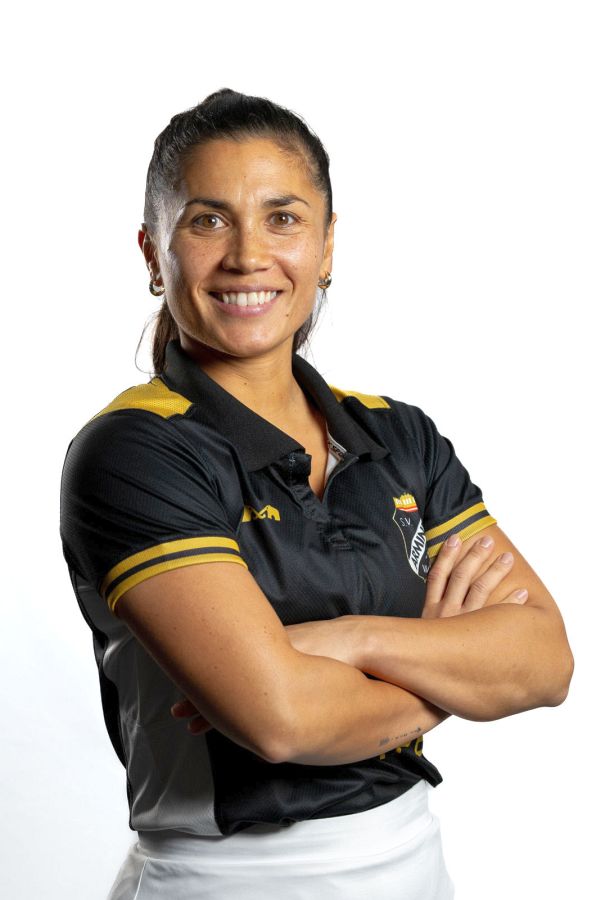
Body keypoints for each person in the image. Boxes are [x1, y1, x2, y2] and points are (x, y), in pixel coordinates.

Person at [59, 88, 574, 900]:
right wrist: (451, 676)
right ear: (154, 255)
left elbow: (545, 660)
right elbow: (281, 720)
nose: (248, 255)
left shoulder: (400, 435)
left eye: (283, 218)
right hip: (224, 880)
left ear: (327, 245)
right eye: (207, 220)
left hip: (417, 865)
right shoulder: (133, 452)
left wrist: (350, 640)